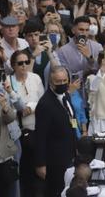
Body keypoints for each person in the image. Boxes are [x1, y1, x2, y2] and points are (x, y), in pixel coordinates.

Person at [34, 66, 78, 197]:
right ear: (51, 83)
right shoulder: (45, 104)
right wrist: (40, 164)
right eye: (58, 82)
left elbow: (72, 120)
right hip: (54, 160)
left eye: (65, 80)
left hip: (69, 154)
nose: (63, 84)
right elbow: (40, 136)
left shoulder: (66, 96)